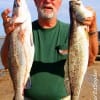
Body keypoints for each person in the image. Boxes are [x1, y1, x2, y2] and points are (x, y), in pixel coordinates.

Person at [1, 0, 98, 100]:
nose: (47, 1)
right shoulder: (25, 31)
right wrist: (9, 35)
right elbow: (6, 63)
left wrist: (93, 29)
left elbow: (90, 61)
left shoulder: (72, 32)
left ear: (60, 2)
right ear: (35, 2)